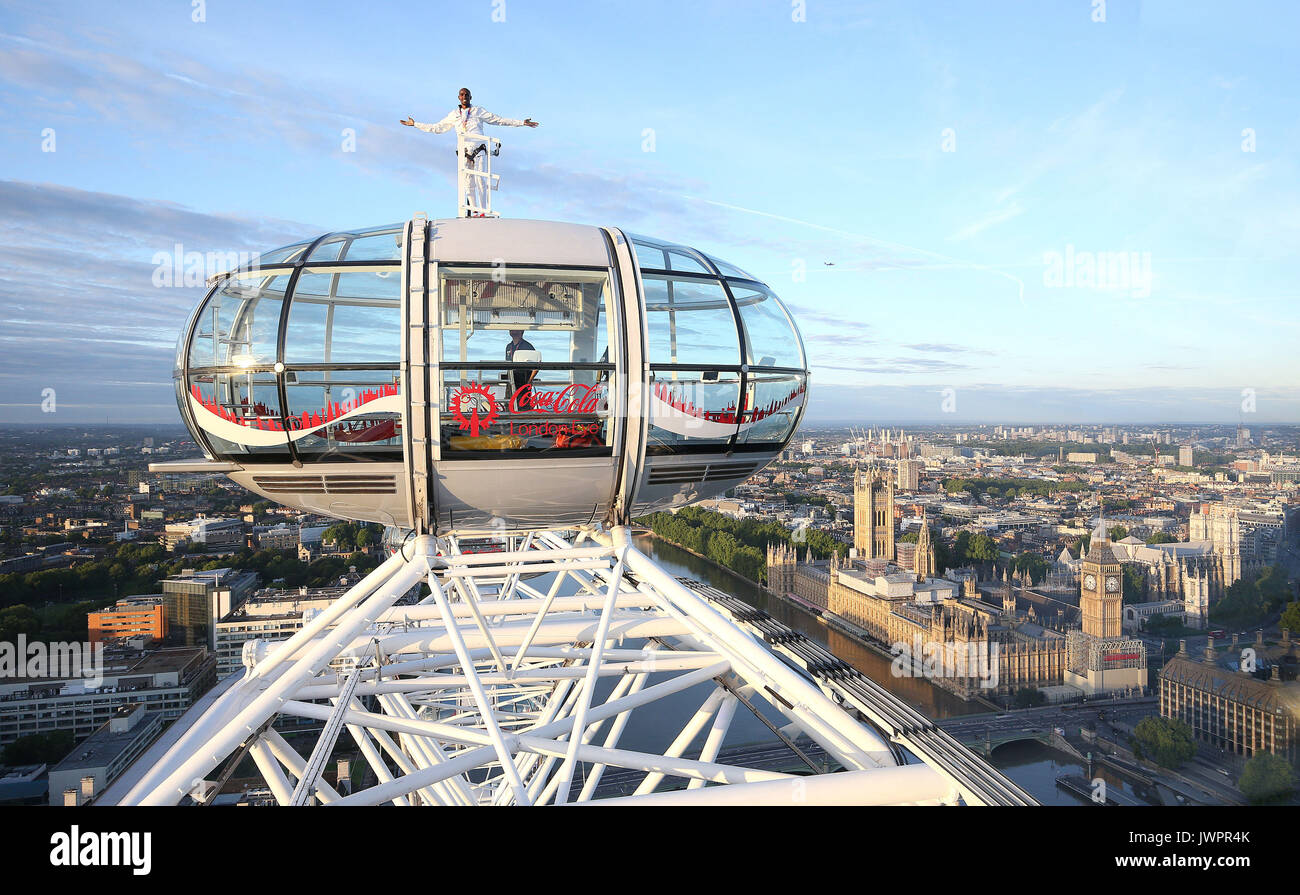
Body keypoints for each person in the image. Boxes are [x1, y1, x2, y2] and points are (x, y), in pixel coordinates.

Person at [400, 88, 539, 216]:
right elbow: (437, 128)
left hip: (479, 149)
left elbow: (498, 120)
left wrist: (521, 122)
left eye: (467, 94)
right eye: (462, 94)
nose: (464, 96)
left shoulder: (478, 111)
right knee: (468, 183)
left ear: (471, 97)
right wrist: (415, 124)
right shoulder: (454, 115)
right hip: (464, 151)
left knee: (480, 179)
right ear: (458, 98)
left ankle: (483, 210)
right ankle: (474, 210)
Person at [505, 329, 537, 403]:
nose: (513, 331)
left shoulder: (527, 346)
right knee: (509, 403)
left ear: (522, 331)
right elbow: (507, 364)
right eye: (511, 329)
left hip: (523, 381)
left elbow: (537, 364)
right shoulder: (508, 346)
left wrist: (529, 380)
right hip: (510, 380)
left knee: (523, 405)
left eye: (516, 329)